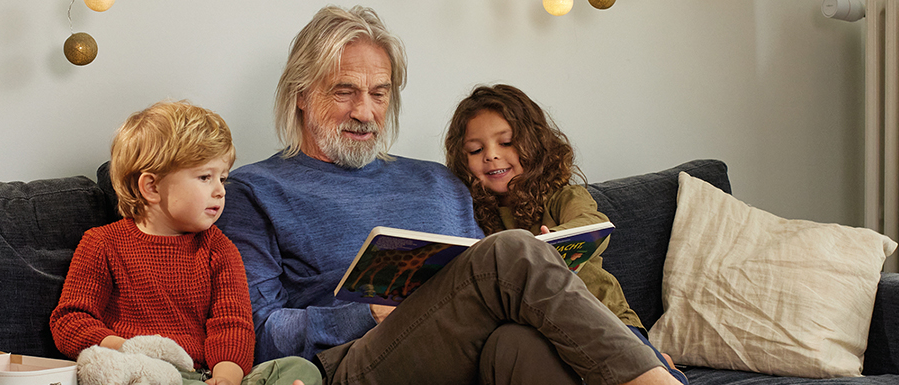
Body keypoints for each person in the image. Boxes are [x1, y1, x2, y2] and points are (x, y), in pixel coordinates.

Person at [217, 6, 682, 385]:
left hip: (467, 351)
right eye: (345, 91)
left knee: (517, 346)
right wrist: (364, 314)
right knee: (510, 252)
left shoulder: (437, 180)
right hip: (357, 363)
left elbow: (486, 289)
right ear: (300, 93)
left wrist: (633, 342)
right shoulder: (254, 192)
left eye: (379, 94)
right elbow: (257, 334)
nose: (365, 111)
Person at [51, 101, 321, 385]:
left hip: (202, 375)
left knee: (301, 369)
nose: (219, 191)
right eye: (205, 177)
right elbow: (71, 319)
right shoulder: (102, 243)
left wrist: (226, 378)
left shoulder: (220, 249)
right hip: (140, 370)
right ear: (152, 187)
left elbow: (232, 325)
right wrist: (123, 349)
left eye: (223, 178)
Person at [443, 84, 688, 385]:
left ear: (533, 144)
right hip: (538, 336)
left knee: (637, 361)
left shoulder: (562, 197)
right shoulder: (472, 215)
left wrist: (552, 240)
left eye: (505, 142)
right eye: (476, 150)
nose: (492, 156)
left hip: (606, 319)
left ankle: (661, 367)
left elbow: (592, 223)